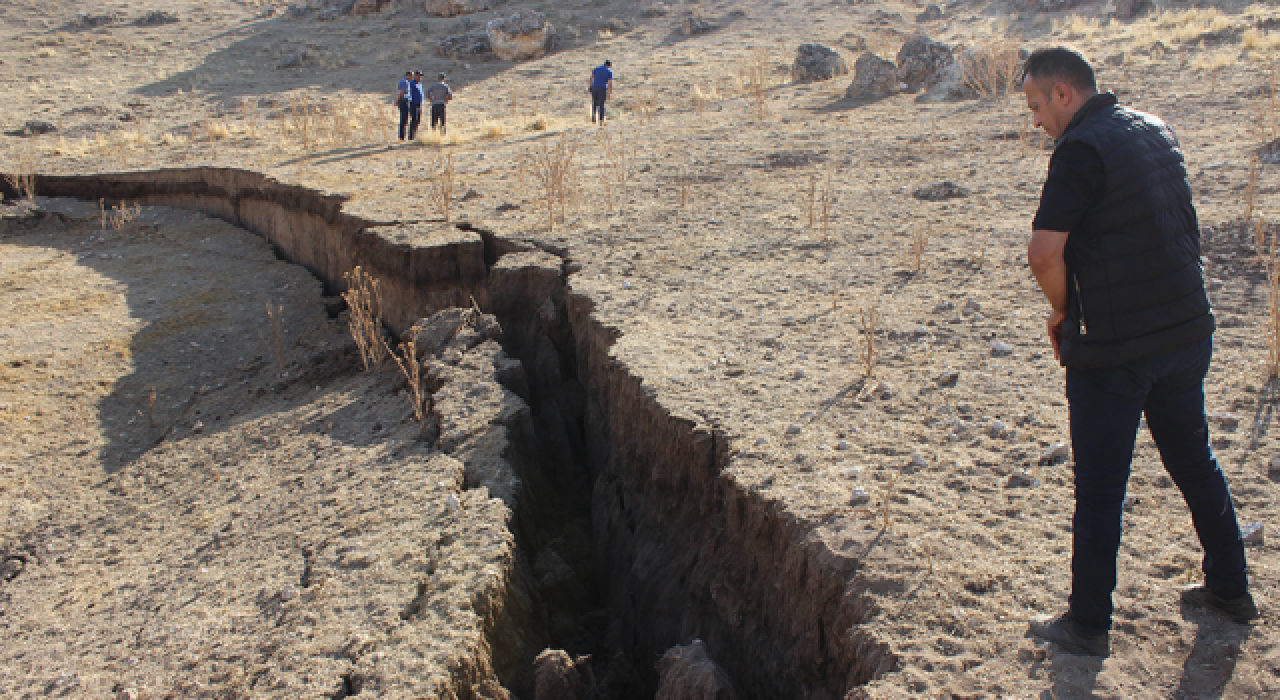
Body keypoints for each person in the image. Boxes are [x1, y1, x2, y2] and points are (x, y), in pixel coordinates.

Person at [1022, 47, 1257, 658]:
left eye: (1037, 106)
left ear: (1064, 93)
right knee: (1193, 459)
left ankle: (1088, 626)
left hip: (1117, 347)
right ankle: (1231, 589)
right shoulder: (1154, 127)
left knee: (1100, 486)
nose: (1037, 121)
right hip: (1185, 329)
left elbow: (1044, 251)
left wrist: (1063, 309)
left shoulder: (1079, 149)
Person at [589, 60, 613, 124]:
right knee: (601, 104)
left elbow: (591, 77)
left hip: (594, 87)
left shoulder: (596, 69)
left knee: (594, 102)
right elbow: (610, 82)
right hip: (602, 88)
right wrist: (609, 93)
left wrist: (590, 87)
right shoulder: (609, 71)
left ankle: (593, 115)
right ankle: (601, 120)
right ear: (609, 65)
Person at [394, 70, 412, 141]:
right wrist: (397, 101)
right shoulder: (404, 82)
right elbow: (400, 92)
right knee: (403, 120)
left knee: (405, 120)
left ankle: (403, 136)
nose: (412, 77)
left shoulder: (407, 82)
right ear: (408, 75)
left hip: (405, 102)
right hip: (403, 102)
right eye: (411, 75)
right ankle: (402, 137)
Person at [407, 70, 425, 140]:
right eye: (418, 75)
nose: (419, 77)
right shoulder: (412, 84)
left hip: (419, 104)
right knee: (414, 119)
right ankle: (411, 136)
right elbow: (409, 93)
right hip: (413, 103)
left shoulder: (420, 84)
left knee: (418, 120)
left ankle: (414, 135)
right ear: (415, 76)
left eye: (420, 76)